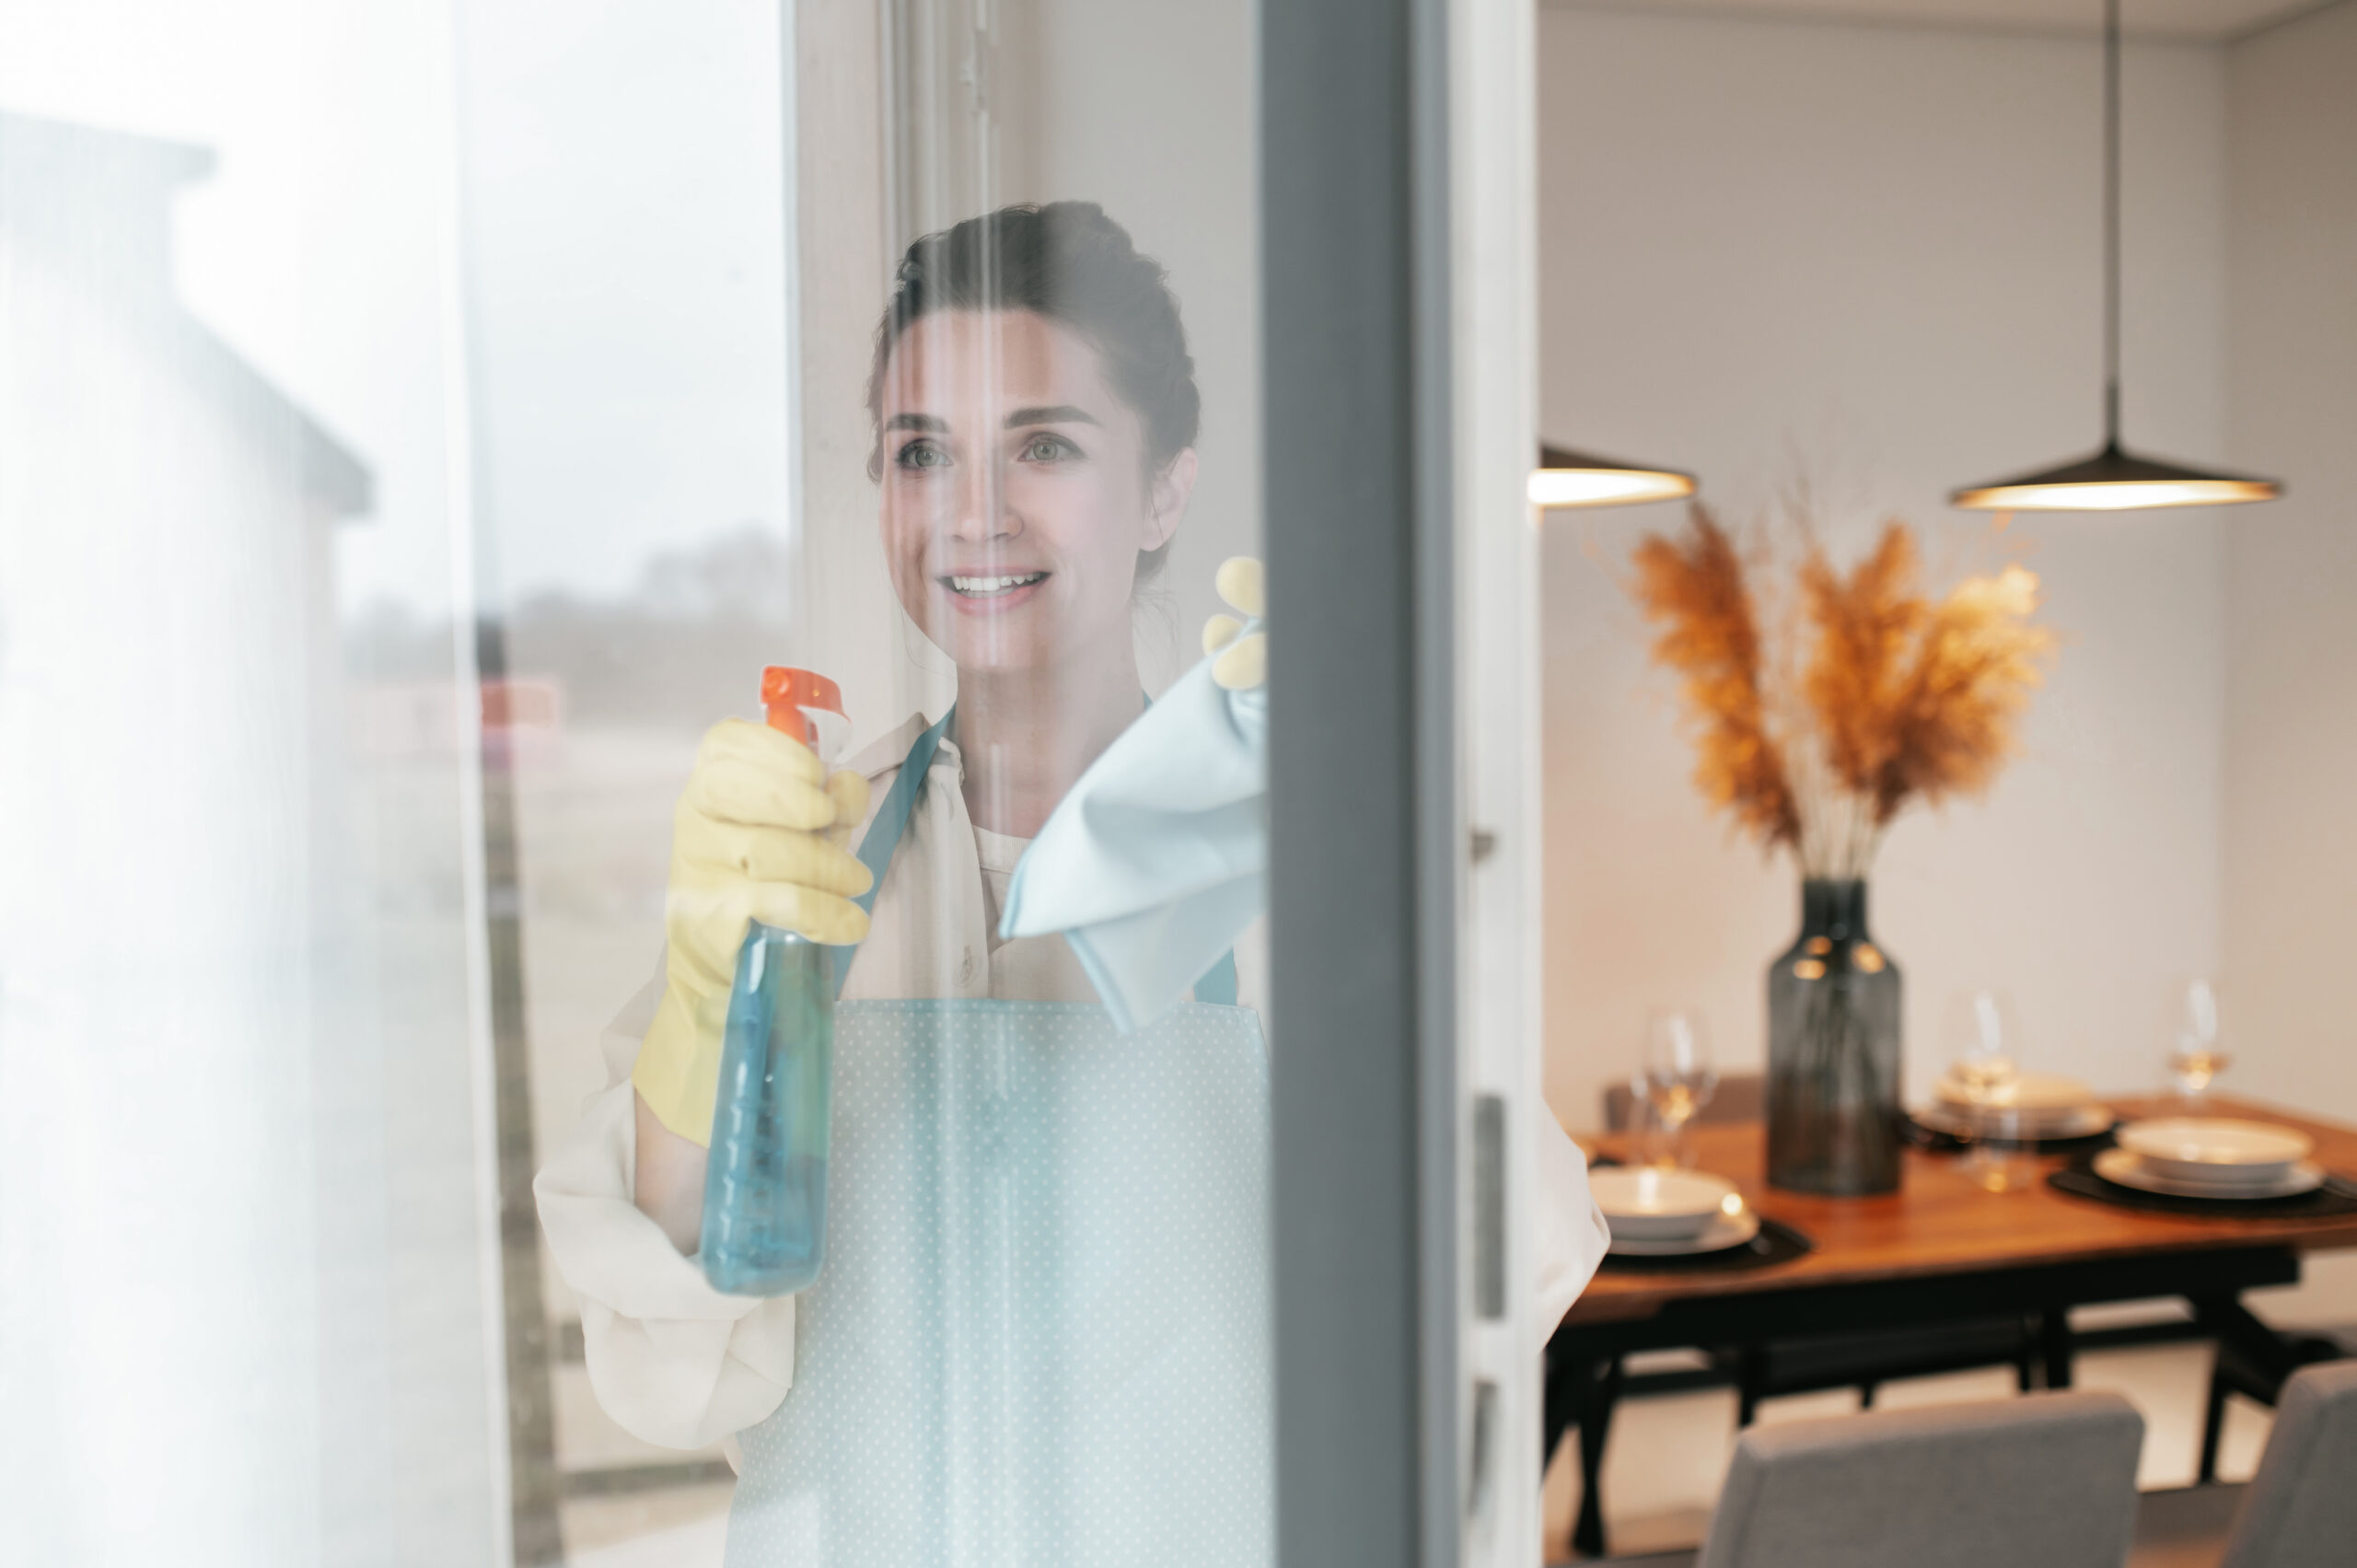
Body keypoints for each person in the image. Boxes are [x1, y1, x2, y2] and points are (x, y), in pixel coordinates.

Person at [536, 201, 1607, 1564]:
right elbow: (671, 1371)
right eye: (922, 451)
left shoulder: (1276, 859)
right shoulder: (804, 863)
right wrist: (706, 1001)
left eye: (1044, 445)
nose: (975, 512)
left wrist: (1362, 896)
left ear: (1166, 489)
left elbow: (1507, 1275)